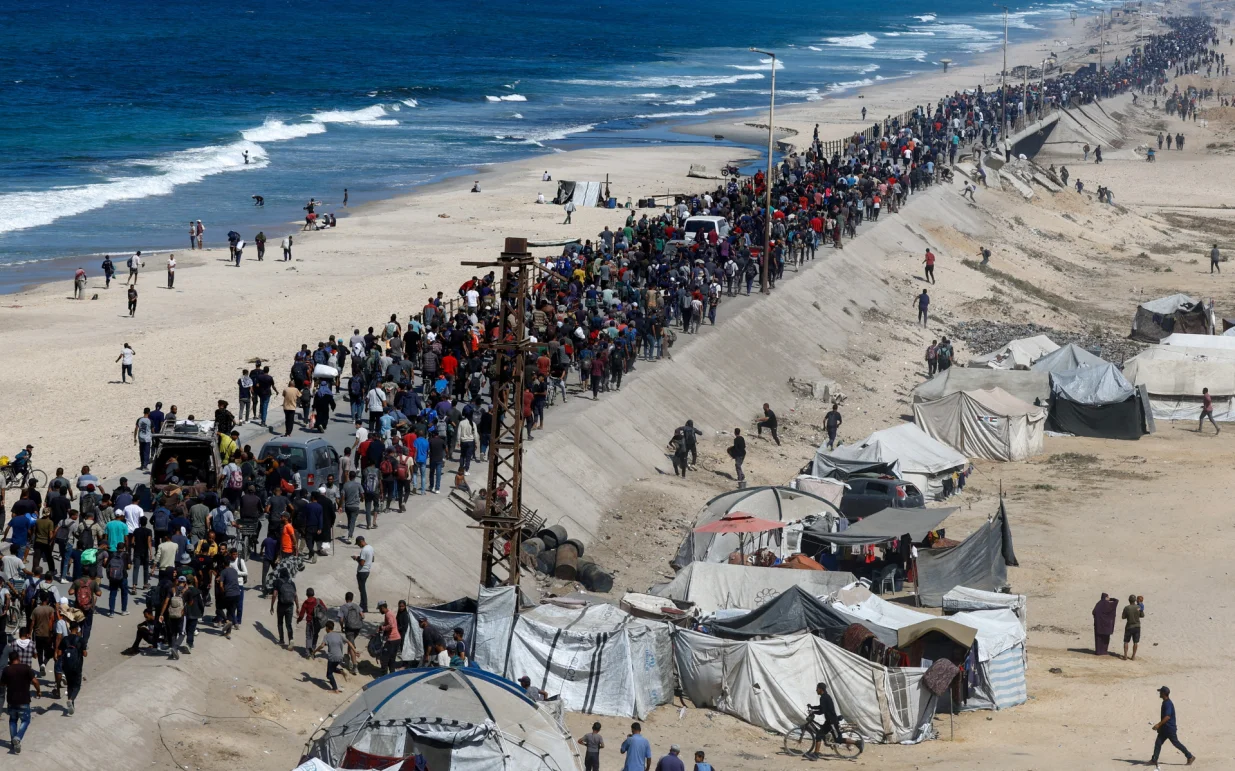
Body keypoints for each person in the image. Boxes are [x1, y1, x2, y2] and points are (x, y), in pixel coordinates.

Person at [1, 649, 40, 754]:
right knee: (26, 720)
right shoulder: (26, 668)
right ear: (18, 658)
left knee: (13, 721)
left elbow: (2, 684)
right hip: (24, 700)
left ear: (10, 660)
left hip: (11, 701)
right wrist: (38, 691)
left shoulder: (7, 670)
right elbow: (35, 682)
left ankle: (14, 744)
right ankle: (18, 738)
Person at [1149, 686, 1195, 766]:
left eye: (1160, 692)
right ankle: (1154, 760)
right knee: (1158, 743)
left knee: (1176, 743)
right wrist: (1160, 727)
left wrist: (1158, 725)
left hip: (1170, 729)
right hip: (1165, 728)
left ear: (1163, 693)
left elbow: (1167, 716)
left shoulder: (1167, 704)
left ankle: (1190, 756)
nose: (1159, 693)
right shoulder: (1165, 702)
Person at [313, 620, 355, 693]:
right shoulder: (339, 635)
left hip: (332, 657)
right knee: (332, 669)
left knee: (329, 674)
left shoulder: (326, 636)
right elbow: (349, 642)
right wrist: (355, 651)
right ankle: (342, 671)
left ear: (327, 628)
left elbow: (322, 645)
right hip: (340, 657)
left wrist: (315, 651)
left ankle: (335, 689)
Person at [806, 682, 841, 759]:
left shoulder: (824, 697)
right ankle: (816, 753)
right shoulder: (825, 696)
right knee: (820, 734)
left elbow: (822, 711)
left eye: (817, 688)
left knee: (838, 739)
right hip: (829, 721)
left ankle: (858, 743)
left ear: (821, 689)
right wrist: (812, 707)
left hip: (831, 721)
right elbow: (821, 707)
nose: (816, 690)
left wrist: (814, 712)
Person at [376, 600, 401, 675]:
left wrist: (382, 628)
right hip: (397, 639)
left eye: (380, 609)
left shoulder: (388, 614)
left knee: (384, 658)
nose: (380, 611)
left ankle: (384, 675)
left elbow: (391, 626)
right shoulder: (389, 613)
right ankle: (392, 674)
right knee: (392, 659)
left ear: (383, 607)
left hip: (392, 639)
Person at [1092, 592, 1118, 656]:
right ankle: (1104, 651)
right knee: (1106, 638)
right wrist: (1111, 599)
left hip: (1099, 625)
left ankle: (1098, 651)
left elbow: (1094, 612)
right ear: (1106, 597)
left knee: (1098, 638)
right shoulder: (1109, 604)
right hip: (1107, 625)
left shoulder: (1098, 604)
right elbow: (1116, 601)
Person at [354, 536, 372, 612]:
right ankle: (363, 604)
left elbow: (361, 563)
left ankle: (364, 606)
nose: (358, 545)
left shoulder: (364, 550)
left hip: (362, 571)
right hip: (367, 570)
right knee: (362, 588)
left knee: (362, 589)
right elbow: (372, 558)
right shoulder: (370, 547)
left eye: (358, 544)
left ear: (361, 541)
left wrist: (356, 558)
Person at [1122, 593, 1143, 661]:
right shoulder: (1138, 607)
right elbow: (1142, 615)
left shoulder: (1127, 608)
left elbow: (1123, 617)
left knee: (1126, 641)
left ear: (1129, 600)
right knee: (1135, 642)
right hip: (1137, 626)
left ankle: (1125, 656)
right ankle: (1133, 656)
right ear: (1135, 600)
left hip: (1129, 626)